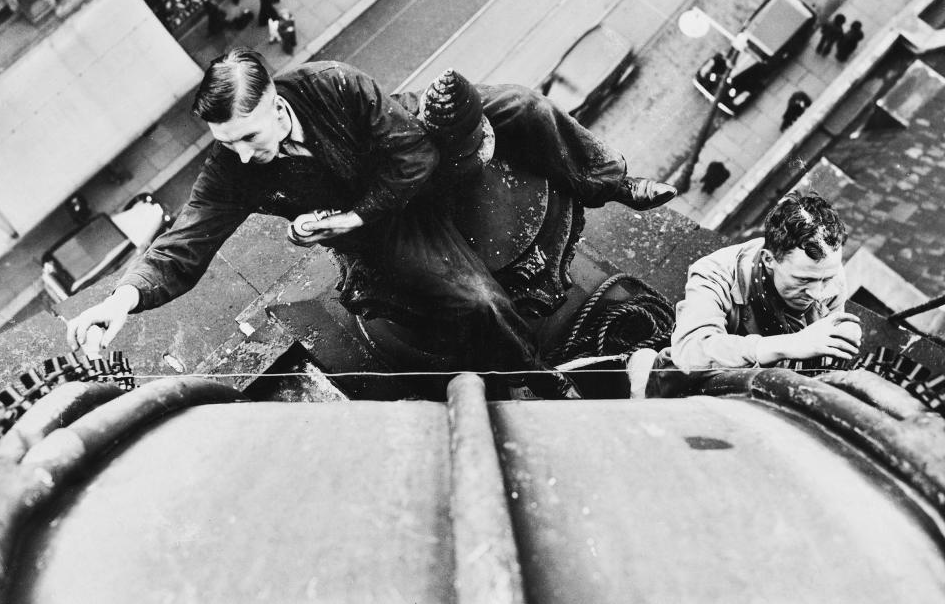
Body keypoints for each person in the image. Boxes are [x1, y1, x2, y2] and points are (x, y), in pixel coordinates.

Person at [66, 51, 677, 400]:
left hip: (406, 158)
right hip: (392, 228)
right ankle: (540, 383)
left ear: (278, 106)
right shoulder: (235, 167)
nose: (244, 156)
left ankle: (612, 181)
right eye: (228, 144)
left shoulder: (334, 84)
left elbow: (414, 155)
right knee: (480, 301)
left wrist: (349, 213)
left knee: (526, 105)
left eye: (249, 137)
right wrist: (121, 301)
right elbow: (186, 240)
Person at [629, 192, 861, 399]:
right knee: (656, 391)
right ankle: (642, 367)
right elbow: (691, 353)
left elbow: (826, 347)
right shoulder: (716, 272)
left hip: (763, 387)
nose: (818, 293)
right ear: (769, 259)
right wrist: (788, 345)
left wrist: (841, 338)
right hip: (702, 378)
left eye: (827, 278)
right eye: (803, 280)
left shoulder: (830, 275)